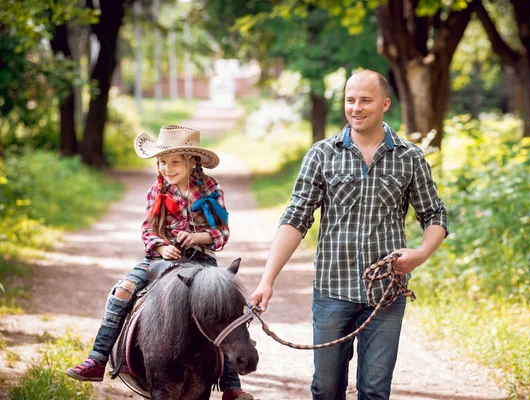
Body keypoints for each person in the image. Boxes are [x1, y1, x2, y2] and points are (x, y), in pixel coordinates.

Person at [249, 70, 449, 400]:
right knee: (326, 389)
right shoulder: (321, 154)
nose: (356, 107)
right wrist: (267, 279)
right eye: (350, 100)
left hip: (386, 293)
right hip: (331, 292)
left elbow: (435, 215)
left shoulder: (410, 157)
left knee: (374, 391)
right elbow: (295, 219)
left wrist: (421, 253)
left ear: (385, 104)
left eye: (365, 100)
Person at [66, 125, 254, 400]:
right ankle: (98, 358)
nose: (167, 167)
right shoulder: (158, 189)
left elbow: (222, 233)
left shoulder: (211, 189)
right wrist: (162, 246)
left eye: (175, 161)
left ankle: (231, 384)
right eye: (162, 161)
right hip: (159, 257)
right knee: (123, 291)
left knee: (219, 302)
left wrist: (197, 236)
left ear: (192, 161)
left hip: (201, 260)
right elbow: (147, 230)